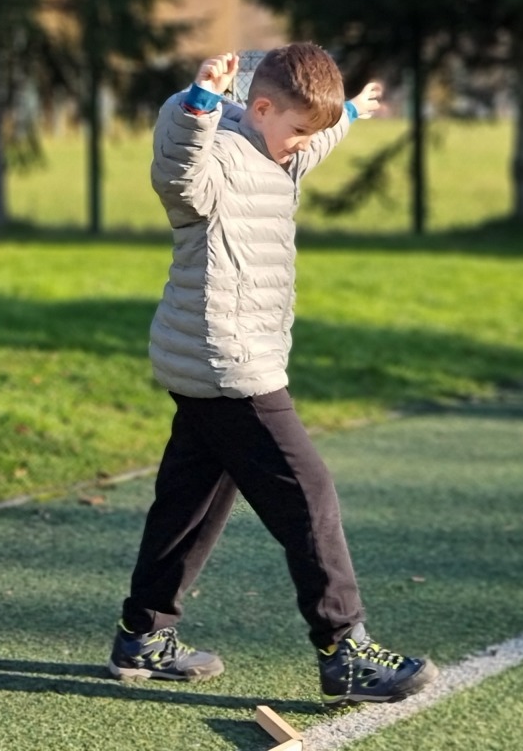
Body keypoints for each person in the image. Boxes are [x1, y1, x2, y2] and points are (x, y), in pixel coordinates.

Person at [108, 44, 437, 705]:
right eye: (298, 130)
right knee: (308, 492)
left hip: (213, 358)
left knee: (192, 501)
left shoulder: (278, 153)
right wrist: (198, 102)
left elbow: (311, 138)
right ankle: (344, 649)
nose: (304, 145)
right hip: (227, 361)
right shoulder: (217, 159)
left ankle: (143, 633)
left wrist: (347, 114)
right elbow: (176, 170)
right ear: (260, 109)